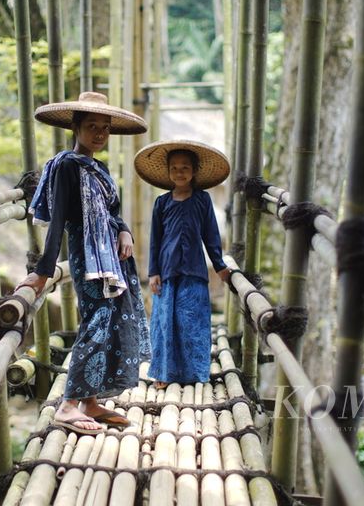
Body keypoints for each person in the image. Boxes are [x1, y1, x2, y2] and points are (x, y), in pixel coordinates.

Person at [16, 92, 150, 435]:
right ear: (75, 127)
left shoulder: (100, 169)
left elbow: (112, 213)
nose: (100, 134)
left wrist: (124, 233)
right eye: (92, 126)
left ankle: (89, 400)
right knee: (98, 318)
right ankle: (68, 405)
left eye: (105, 128)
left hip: (111, 252)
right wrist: (43, 271)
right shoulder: (66, 166)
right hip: (86, 253)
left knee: (111, 319)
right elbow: (58, 219)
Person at [134, 140, 231, 388]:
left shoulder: (202, 200)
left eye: (185, 167)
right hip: (166, 273)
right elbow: (155, 240)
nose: (179, 172)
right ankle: (165, 373)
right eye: (174, 167)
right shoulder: (162, 203)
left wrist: (219, 265)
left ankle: (195, 373)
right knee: (165, 322)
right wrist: (153, 272)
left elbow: (211, 235)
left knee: (191, 322)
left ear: (194, 171)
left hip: (194, 272)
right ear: (168, 171)